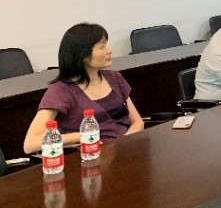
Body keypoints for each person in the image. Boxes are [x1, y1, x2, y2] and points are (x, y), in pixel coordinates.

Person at [23, 23, 144, 154]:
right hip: (91, 156)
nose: (109, 50)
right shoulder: (61, 91)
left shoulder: (114, 78)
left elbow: (137, 122)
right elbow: (30, 144)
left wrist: (122, 143)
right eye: (102, 47)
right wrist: (82, 136)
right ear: (83, 55)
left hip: (125, 151)